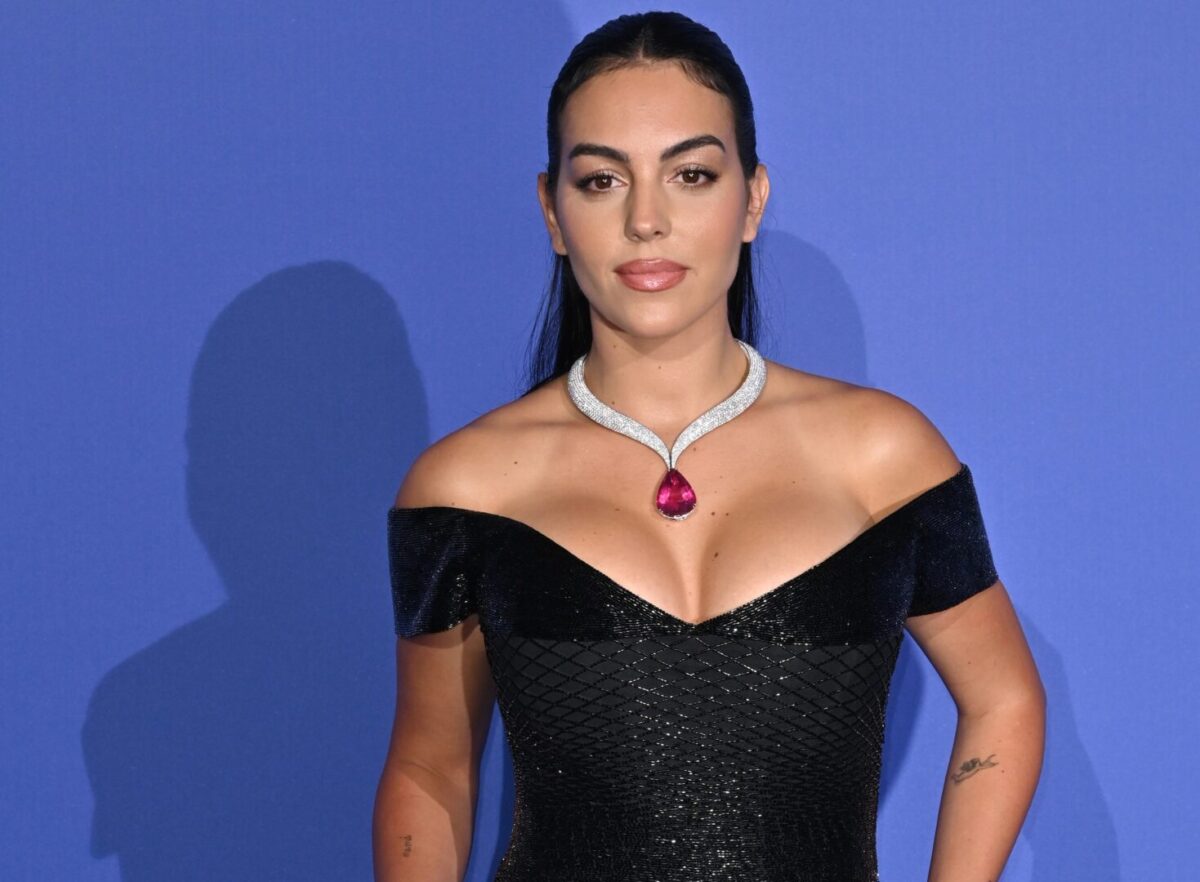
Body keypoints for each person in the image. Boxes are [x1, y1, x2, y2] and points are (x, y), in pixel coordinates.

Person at [372, 11, 1045, 882]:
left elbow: (1003, 698)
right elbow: (431, 768)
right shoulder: (465, 488)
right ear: (552, 212)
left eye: (690, 174)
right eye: (602, 181)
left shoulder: (885, 457)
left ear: (752, 199)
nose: (646, 220)